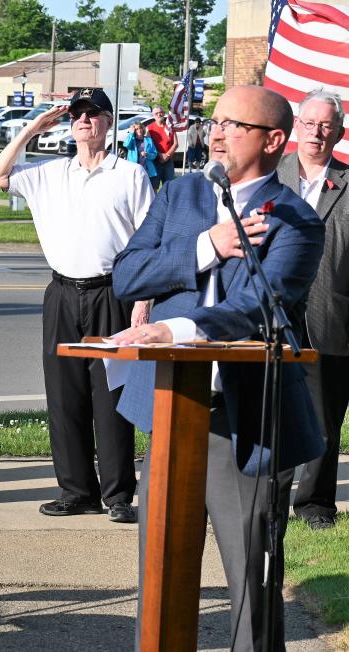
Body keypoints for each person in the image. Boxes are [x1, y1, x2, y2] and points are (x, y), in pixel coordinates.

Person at [109, 85, 326, 650]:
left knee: (250, 583)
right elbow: (129, 277)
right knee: (159, 572)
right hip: (172, 410)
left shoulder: (297, 220)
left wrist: (174, 330)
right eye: (218, 120)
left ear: (274, 141)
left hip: (244, 419)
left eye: (236, 124)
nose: (218, 132)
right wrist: (206, 245)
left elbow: (263, 303)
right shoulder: (181, 197)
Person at [0, 88, 153, 524]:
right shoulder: (49, 173)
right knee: (64, 397)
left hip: (112, 294)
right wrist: (30, 129)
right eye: (77, 115)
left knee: (110, 397)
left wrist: (143, 302)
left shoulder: (129, 174)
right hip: (61, 293)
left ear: (108, 121)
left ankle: (118, 495)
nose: (83, 121)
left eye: (93, 114)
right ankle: (77, 491)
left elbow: (148, 244)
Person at [278, 88, 348, 531]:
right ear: (295, 128)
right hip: (272, 315)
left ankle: (315, 501)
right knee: (269, 407)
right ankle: (269, 489)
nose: (317, 133)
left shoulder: (346, 182)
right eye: (310, 123)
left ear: (338, 133)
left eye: (326, 125)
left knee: (324, 417)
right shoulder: (269, 176)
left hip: (331, 314)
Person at [147, 105, 177, 187]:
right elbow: (149, 145)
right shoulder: (149, 128)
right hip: (155, 161)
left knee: (169, 186)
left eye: (161, 112)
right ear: (153, 115)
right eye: (156, 113)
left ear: (164, 113)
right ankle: (156, 200)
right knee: (154, 186)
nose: (159, 115)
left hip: (168, 161)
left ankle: (167, 200)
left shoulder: (170, 127)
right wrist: (160, 155)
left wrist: (167, 155)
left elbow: (175, 143)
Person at [123, 120, 158, 185]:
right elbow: (126, 145)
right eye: (136, 129)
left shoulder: (149, 140)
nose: (139, 130)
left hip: (146, 169)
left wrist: (147, 154)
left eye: (140, 128)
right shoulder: (132, 140)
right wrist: (131, 133)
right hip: (134, 169)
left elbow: (154, 154)